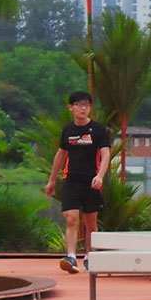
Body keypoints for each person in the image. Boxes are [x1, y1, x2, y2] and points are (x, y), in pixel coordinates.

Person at [44, 90, 111, 274]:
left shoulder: (98, 130)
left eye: (86, 105)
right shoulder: (68, 130)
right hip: (71, 180)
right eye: (79, 105)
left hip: (91, 181)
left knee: (91, 223)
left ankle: (90, 255)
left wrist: (100, 176)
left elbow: (105, 154)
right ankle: (71, 257)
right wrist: (51, 180)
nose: (83, 108)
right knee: (71, 218)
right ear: (71, 108)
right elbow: (61, 154)